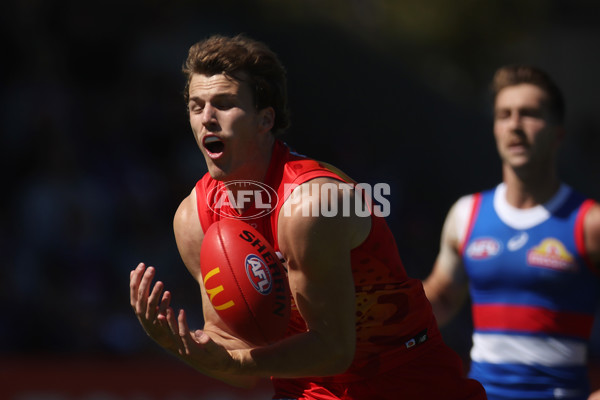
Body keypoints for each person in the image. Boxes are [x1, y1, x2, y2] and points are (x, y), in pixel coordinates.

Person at [129, 34, 486, 399]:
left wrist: (233, 363)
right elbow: (235, 361)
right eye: (196, 106)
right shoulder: (194, 220)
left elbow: (334, 351)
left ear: (265, 119)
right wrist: (179, 344)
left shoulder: (312, 205)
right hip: (304, 390)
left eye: (224, 104)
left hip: (405, 383)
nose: (207, 118)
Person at [423, 65, 600, 400]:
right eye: (505, 114)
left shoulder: (589, 222)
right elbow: (442, 298)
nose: (515, 125)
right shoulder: (466, 214)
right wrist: (378, 314)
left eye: (530, 114)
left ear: (558, 132)